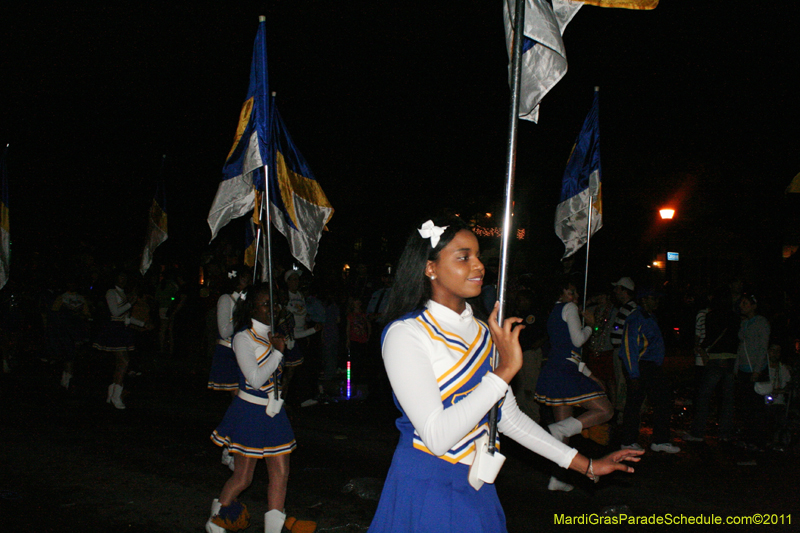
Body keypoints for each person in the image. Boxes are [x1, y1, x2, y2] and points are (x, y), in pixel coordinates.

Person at [368, 217, 643, 533]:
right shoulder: (407, 333)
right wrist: (505, 370)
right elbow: (437, 436)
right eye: (463, 257)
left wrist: (586, 464)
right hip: (428, 485)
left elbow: (507, 418)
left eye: (478, 256)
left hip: (479, 485)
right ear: (431, 268)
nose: (478, 266)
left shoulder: (486, 332)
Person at [205, 284, 313, 533]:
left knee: (281, 474)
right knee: (243, 477)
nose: (272, 309)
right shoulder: (243, 337)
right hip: (250, 413)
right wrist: (277, 353)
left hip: (274, 413)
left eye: (274, 304)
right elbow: (254, 379)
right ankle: (216, 521)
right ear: (252, 307)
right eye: (266, 304)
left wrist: (279, 348)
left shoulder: (273, 334)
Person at [534, 280, 614, 491]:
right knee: (606, 410)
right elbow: (578, 341)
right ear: (560, 293)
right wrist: (590, 325)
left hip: (557, 370)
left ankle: (556, 478)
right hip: (564, 372)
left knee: (565, 435)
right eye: (571, 292)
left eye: (576, 292)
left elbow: (568, 352)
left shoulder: (554, 312)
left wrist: (590, 375)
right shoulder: (569, 308)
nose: (576, 296)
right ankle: (557, 429)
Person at [618, 289, 681, 453]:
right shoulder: (636, 318)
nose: (657, 302)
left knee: (659, 401)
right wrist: (633, 374)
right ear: (644, 300)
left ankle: (657, 440)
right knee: (637, 403)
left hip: (650, 366)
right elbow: (629, 347)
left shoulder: (649, 317)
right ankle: (630, 440)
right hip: (641, 365)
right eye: (654, 298)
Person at [208, 267, 252, 471]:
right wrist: (241, 314)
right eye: (243, 279)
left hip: (243, 354)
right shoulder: (226, 299)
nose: (247, 282)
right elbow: (224, 331)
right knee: (239, 403)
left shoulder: (247, 302)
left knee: (242, 404)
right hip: (228, 355)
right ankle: (230, 449)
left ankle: (230, 446)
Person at [684, 288, 739, 442]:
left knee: (704, 396)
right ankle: (724, 433)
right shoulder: (735, 317)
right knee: (727, 398)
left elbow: (709, 337)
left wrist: (701, 348)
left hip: (715, 358)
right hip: (731, 359)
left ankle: (698, 432)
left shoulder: (711, 316)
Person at [93, 271, 149, 409]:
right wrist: (130, 303)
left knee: (120, 363)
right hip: (113, 330)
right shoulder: (111, 292)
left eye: (125, 277)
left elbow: (126, 317)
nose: (123, 279)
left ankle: (112, 394)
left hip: (122, 330)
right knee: (124, 361)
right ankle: (116, 397)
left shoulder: (124, 294)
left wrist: (142, 324)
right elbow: (115, 312)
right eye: (120, 277)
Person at [735, 292, 770, 446]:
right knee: (745, 405)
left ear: (753, 306)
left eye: (745, 303)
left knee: (756, 406)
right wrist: (736, 367)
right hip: (743, 368)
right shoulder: (744, 323)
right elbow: (741, 346)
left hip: (755, 369)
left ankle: (758, 439)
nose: (742, 306)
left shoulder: (761, 323)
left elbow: (763, 347)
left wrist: (757, 370)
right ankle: (747, 436)